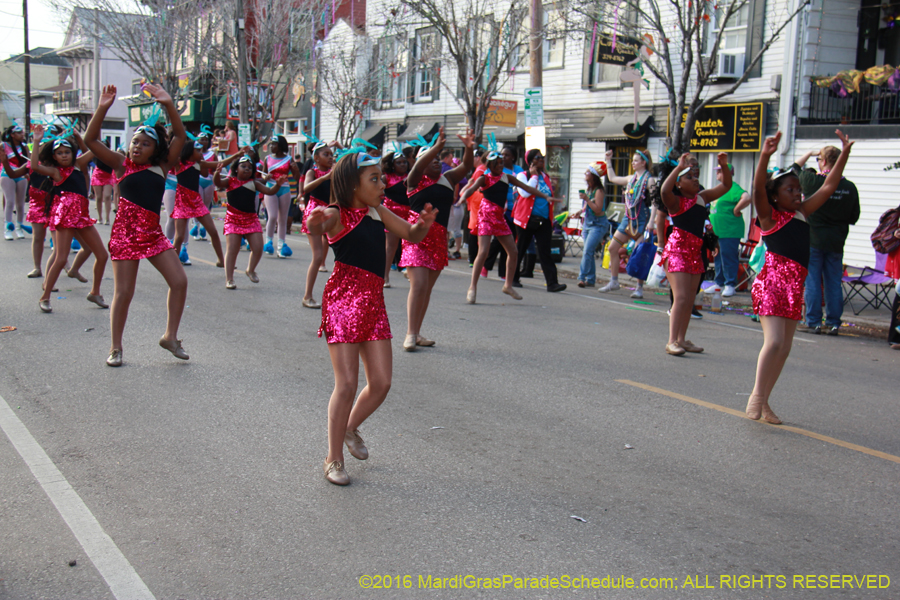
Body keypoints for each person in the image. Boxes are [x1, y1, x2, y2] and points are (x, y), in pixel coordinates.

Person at [306, 150, 436, 485]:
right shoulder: (337, 213)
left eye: (382, 178)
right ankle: (333, 460)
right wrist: (315, 220)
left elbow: (411, 235)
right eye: (374, 179)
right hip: (343, 302)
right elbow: (317, 224)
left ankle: (349, 427)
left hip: (373, 304)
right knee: (347, 384)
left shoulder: (378, 211)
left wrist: (423, 225)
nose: (383, 185)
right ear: (352, 184)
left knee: (381, 383)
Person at [748, 130, 853, 423]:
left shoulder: (803, 212)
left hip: (795, 287)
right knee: (774, 341)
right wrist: (766, 156)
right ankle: (756, 395)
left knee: (785, 347)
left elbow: (830, 185)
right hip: (771, 283)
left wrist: (844, 153)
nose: (797, 193)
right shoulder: (769, 217)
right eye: (790, 190)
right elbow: (758, 190)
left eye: (798, 189)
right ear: (775, 196)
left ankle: (765, 401)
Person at [84, 84, 191, 366]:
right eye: (135, 141)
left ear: (156, 149)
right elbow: (91, 140)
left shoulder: (163, 166)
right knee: (124, 293)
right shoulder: (121, 164)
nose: (138, 146)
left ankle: (170, 336)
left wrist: (169, 104)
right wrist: (103, 107)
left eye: (145, 143)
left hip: (153, 235)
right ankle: (116, 347)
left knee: (179, 281)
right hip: (125, 235)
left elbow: (180, 135)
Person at [401, 127, 475, 351]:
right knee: (419, 285)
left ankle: (417, 331)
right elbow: (418, 167)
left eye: (436, 159)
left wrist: (469, 149)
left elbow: (466, 167)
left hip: (438, 240)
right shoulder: (413, 180)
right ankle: (410, 334)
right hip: (416, 237)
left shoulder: (448, 178)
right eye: (428, 157)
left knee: (426, 290)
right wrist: (435, 149)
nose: (434, 161)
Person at [30, 126, 108, 314]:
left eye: (67, 152)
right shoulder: (56, 172)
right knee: (61, 257)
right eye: (59, 153)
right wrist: (36, 141)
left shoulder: (79, 164)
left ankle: (95, 292)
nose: (64, 156)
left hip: (81, 216)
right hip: (64, 216)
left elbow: (95, 148)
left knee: (102, 255)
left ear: (73, 153)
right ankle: (45, 296)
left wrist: (82, 137)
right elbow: (34, 166)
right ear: (54, 157)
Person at [660, 152, 730, 356]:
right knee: (680, 297)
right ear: (679, 183)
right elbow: (665, 189)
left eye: (696, 176)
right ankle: (671, 340)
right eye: (689, 177)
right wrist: (678, 168)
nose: (695, 179)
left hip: (695, 251)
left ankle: (682, 339)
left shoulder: (702, 198)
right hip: (677, 251)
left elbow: (725, 186)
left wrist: (724, 166)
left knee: (690, 299)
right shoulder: (675, 201)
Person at [460, 146, 548, 303]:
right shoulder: (484, 178)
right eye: (498, 163)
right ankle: (472, 287)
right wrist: (461, 198)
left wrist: (546, 197)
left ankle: (508, 285)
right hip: (486, 216)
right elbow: (471, 189)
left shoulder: (507, 177)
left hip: (500, 217)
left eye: (502, 163)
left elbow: (527, 188)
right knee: (484, 252)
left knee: (513, 252)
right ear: (490, 165)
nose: (501, 166)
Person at [792, 146, 861, 335]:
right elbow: (854, 216)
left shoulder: (813, 181)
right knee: (833, 282)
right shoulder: (849, 187)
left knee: (813, 280)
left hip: (813, 238)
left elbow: (793, 170)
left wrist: (807, 154)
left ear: (822, 161)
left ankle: (813, 321)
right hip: (837, 240)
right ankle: (833, 322)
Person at [170, 141, 245, 269]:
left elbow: (220, 164)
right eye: (197, 151)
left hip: (196, 202)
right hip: (182, 202)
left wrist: (237, 155)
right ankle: (173, 264)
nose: (200, 153)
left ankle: (222, 260)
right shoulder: (179, 163)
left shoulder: (199, 164)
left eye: (201, 151)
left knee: (213, 232)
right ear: (189, 151)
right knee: (179, 236)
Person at [213, 157, 285, 289]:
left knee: (258, 248)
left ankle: (250, 270)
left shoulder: (254, 183)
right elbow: (217, 182)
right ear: (236, 169)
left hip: (251, 219)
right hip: (233, 219)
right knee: (232, 249)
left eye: (250, 167)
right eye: (243, 166)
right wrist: (217, 173)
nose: (247, 169)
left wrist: (278, 184)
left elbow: (269, 191)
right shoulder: (229, 181)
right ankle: (229, 279)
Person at [599, 149, 656, 298]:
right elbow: (612, 178)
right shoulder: (631, 179)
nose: (633, 163)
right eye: (633, 160)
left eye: (636, 160)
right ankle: (614, 281)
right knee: (612, 248)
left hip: (641, 219)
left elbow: (656, 202)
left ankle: (639, 287)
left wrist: (651, 222)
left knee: (639, 254)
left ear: (644, 163)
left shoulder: (649, 180)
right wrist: (609, 161)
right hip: (628, 218)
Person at [511, 149, 567, 292]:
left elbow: (548, 195)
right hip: (526, 219)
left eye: (542, 157)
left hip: (544, 220)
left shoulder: (546, 176)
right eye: (538, 157)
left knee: (545, 251)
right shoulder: (522, 175)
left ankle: (552, 283)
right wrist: (534, 176)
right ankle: (513, 278)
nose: (541, 159)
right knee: (520, 249)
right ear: (530, 161)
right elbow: (525, 192)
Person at [300, 140, 335, 308]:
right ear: (316, 157)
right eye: (325, 154)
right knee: (318, 256)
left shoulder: (333, 172)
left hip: (328, 213)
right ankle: (307, 296)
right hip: (313, 213)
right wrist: (325, 177)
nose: (330, 157)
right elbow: (306, 188)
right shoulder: (312, 172)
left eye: (331, 154)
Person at [709, 162, 750, 297]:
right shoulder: (720, 189)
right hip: (718, 231)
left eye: (720, 171)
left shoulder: (733, 188)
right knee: (719, 257)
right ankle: (719, 283)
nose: (717, 173)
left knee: (728, 256)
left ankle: (730, 284)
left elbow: (747, 197)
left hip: (729, 230)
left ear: (728, 173)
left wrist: (737, 209)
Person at [483, 146, 524, 278]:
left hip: (515, 209)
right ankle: (486, 266)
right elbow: (484, 183)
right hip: (499, 209)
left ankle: (503, 273)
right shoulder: (498, 171)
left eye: (507, 155)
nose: (504, 158)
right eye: (502, 155)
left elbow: (522, 185)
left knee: (508, 243)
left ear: (513, 157)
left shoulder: (518, 170)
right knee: (497, 242)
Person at [261, 135, 301, 258]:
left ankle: (281, 246)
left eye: (274, 144)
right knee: (272, 216)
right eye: (271, 144)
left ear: (281, 146)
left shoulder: (289, 159)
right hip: (271, 188)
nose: (271, 146)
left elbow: (297, 177)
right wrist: (265, 177)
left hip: (284, 189)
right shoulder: (267, 159)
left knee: (282, 219)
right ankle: (268, 243)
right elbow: (263, 175)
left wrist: (296, 170)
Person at [574, 161, 610, 288]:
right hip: (587, 223)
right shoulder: (590, 189)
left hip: (598, 225)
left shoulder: (599, 191)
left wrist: (587, 199)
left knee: (587, 250)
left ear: (594, 175)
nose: (585, 174)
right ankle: (591, 279)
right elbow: (587, 208)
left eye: (587, 172)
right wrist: (579, 212)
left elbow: (598, 209)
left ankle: (582, 277)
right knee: (589, 252)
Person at [380, 147, 410, 287]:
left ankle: (410, 272)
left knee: (410, 244)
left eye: (404, 162)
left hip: (408, 214)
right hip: (391, 214)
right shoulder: (386, 177)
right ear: (393, 164)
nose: (403, 164)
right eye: (399, 162)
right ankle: (385, 276)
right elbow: (376, 192)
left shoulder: (411, 177)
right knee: (390, 246)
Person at [2, 124, 30, 240]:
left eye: (22, 132)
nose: (22, 135)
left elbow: (29, 161)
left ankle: (19, 227)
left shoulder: (25, 146)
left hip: (22, 175)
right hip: (6, 174)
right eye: (19, 133)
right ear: (12, 135)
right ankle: (7, 228)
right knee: (10, 202)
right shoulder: (3, 145)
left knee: (20, 203)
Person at [90, 144, 116, 225]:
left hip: (108, 176)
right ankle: (99, 217)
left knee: (107, 196)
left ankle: (107, 218)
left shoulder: (110, 155)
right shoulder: (96, 154)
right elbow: (92, 161)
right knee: (99, 197)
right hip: (98, 175)